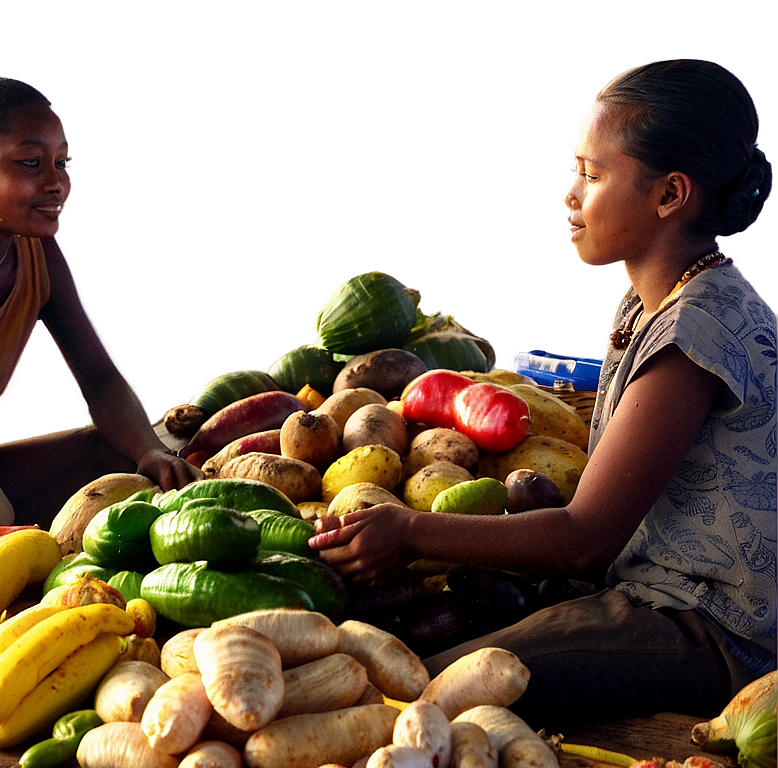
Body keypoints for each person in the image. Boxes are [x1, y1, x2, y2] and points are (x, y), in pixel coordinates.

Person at [310, 59, 776, 729]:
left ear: (670, 195)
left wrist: (410, 530)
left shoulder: (696, 331)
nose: (570, 196)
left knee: (437, 688)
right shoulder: (658, 302)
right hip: (648, 589)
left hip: (711, 633)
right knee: (410, 646)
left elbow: (583, 540)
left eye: (590, 175)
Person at [0, 76, 196, 528]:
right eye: (31, 162)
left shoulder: (38, 256)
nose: (57, 183)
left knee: (126, 456)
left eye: (63, 162)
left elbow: (100, 379)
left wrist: (149, 451)